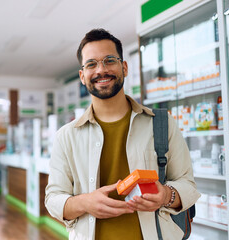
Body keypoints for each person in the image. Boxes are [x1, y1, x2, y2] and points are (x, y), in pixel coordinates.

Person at [45, 28, 200, 240]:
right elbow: (53, 199)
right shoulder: (66, 136)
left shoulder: (161, 123)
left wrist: (165, 195)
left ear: (124, 67)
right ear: (82, 76)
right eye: (91, 64)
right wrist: (85, 202)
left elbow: (188, 185)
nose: (101, 70)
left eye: (109, 60)